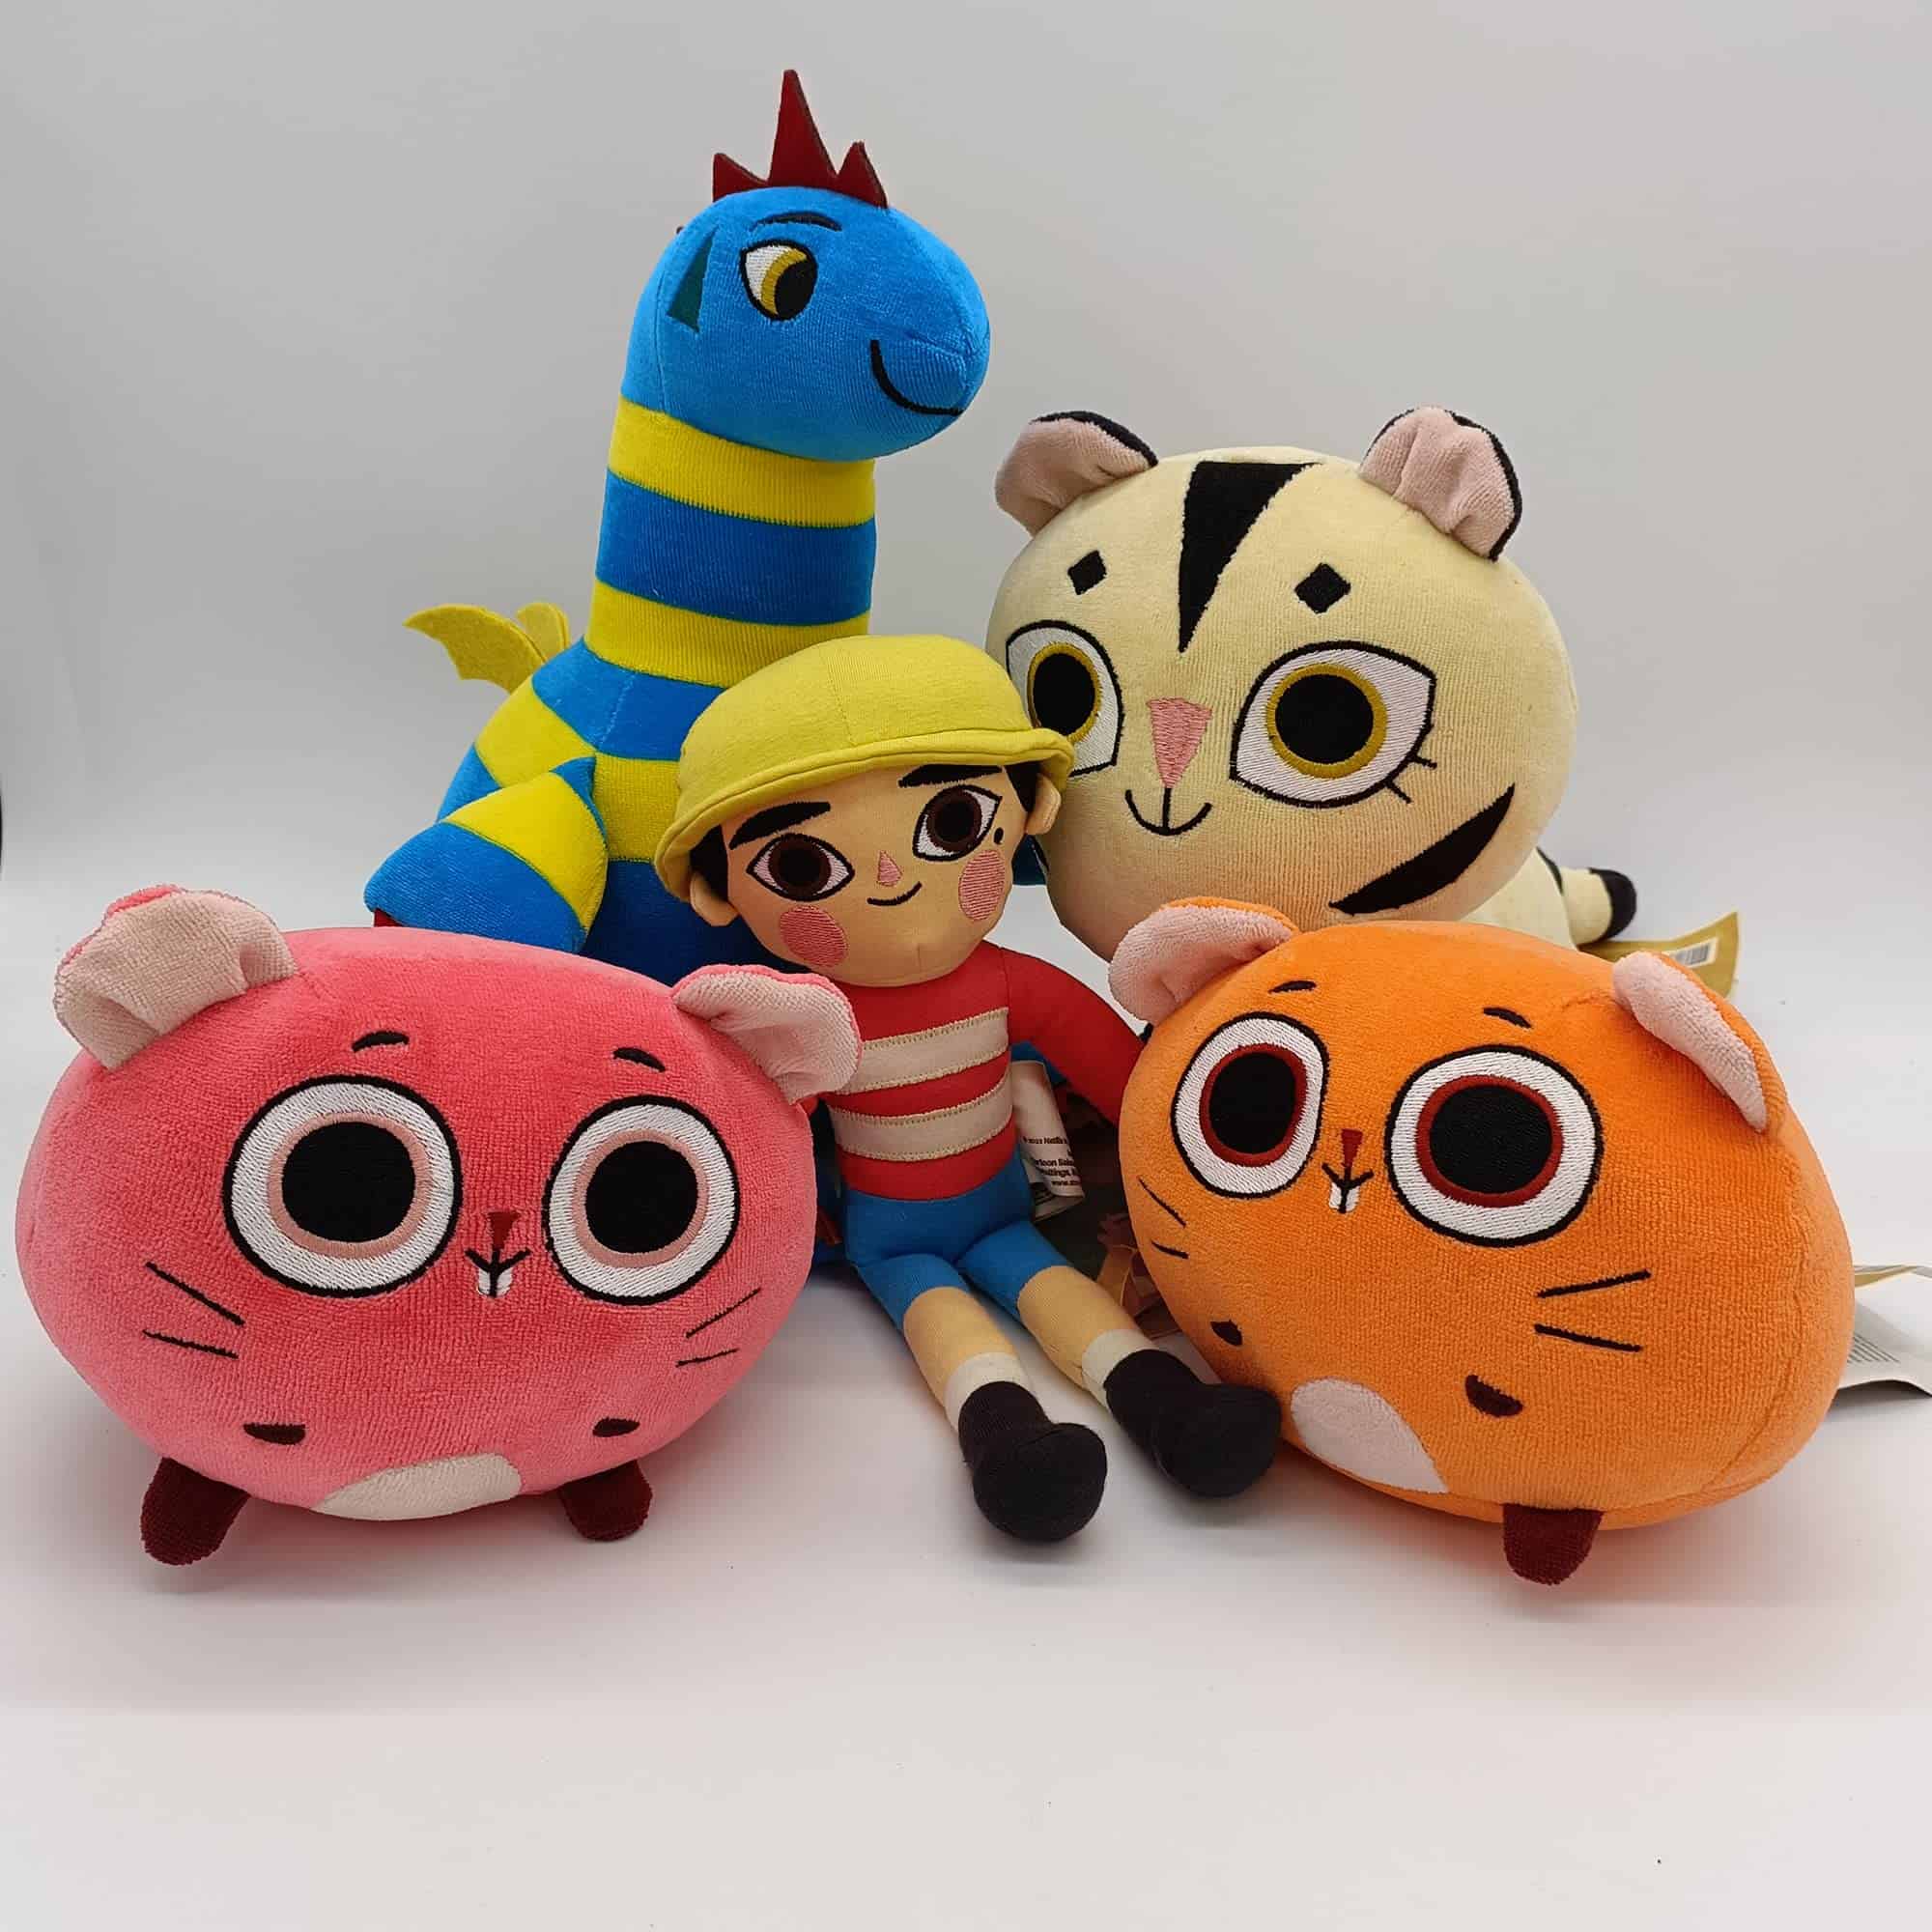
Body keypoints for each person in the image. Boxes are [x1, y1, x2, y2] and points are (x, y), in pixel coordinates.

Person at [654, 634, 1281, 1541]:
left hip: (1003, 1213)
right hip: (891, 1240)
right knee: (948, 1327)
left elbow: (1124, 1082)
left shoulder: (1011, 984)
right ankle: (1006, 1446)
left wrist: (1183, 1169)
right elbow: (759, 1135)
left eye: (950, 823)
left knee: (1065, 1297)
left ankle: (1173, 1411)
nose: (892, 878)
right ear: (721, 892)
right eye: (802, 866)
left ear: (1029, 809)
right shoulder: (807, 1017)